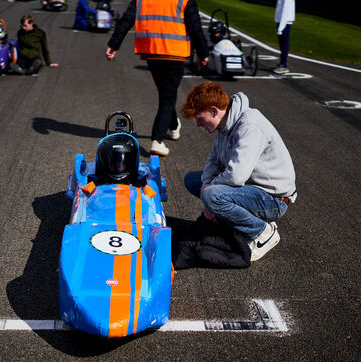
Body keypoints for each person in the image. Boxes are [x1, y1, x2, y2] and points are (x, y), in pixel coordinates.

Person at [180, 81, 297, 261]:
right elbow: (214, 160)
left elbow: (236, 176)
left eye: (199, 118)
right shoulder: (224, 124)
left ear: (214, 110)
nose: (198, 124)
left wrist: (209, 195)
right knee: (193, 180)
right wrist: (205, 185)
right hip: (253, 189)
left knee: (213, 195)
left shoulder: (250, 126)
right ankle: (244, 218)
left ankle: (263, 232)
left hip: (275, 199)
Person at [105, 0, 209, 156]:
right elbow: (195, 28)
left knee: (166, 95)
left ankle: (174, 126)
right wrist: (203, 53)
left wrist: (114, 44)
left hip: (151, 52)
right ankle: (157, 140)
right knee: (168, 97)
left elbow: (126, 20)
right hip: (175, 53)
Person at [274, 0, 295, 74]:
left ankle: (284, 64)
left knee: (284, 43)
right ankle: (282, 62)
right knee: (282, 43)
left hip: (285, 21)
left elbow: (286, 9)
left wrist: (281, 27)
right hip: (281, 20)